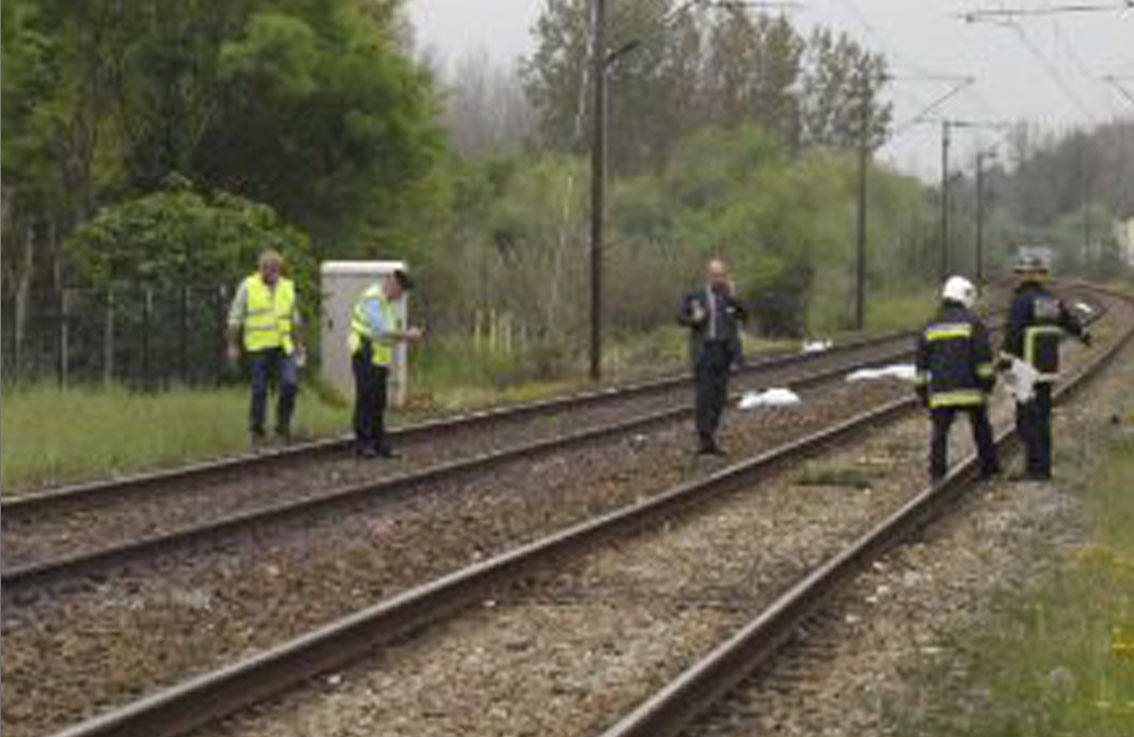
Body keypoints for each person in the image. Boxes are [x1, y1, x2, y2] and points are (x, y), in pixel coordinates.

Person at [1000, 255, 1090, 481]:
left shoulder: (1020, 300)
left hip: (1023, 369)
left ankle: (1035, 470)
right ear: (1041, 276)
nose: (1017, 277)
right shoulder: (1049, 300)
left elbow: (1012, 333)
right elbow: (1069, 321)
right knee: (1041, 416)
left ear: (1022, 276)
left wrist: (1004, 361)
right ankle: (1043, 467)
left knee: (1026, 419)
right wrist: (1083, 335)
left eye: (1019, 273)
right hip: (1046, 368)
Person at [914, 276, 1000, 483]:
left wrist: (923, 393)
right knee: (981, 427)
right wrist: (988, 384)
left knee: (939, 433)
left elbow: (921, 365)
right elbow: (983, 359)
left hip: (941, 392)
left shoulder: (930, 325)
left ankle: (937, 473)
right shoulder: (974, 323)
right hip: (971, 390)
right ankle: (989, 470)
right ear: (964, 295)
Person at [227, 250, 303, 446]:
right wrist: (232, 345)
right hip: (257, 346)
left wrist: (299, 345)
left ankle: (282, 426)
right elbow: (235, 317)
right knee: (259, 389)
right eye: (266, 269)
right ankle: (257, 431)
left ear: (279, 269)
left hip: (283, 346)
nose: (270, 273)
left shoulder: (288, 287)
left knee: (290, 384)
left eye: (274, 269)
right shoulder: (248, 286)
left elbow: (295, 319)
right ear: (260, 269)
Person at [350, 269, 423, 458]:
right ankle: (363, 444)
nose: (400, 297)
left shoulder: (385, 302)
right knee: (366, 399)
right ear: (392, 283)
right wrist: (407, 335)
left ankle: (378, 442)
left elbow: (387, 334)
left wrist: (402, 336)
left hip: (378, 357)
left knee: (378, 401)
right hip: (366, 353)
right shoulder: (373, 298)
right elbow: (381, 330)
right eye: (400, 291)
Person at [678, 257, 747, 456]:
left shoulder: (728, 296)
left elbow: (744, 315)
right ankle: (705, 440)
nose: (718, 279)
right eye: (715, 275)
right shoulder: (695, 295)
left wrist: (735, 297)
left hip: (724, 351)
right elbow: (680, 317)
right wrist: (694, 319)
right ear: (708, 275)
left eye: (721, 275)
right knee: (703, 396)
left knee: (719, 397)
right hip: (704, 350)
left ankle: (711, 435)